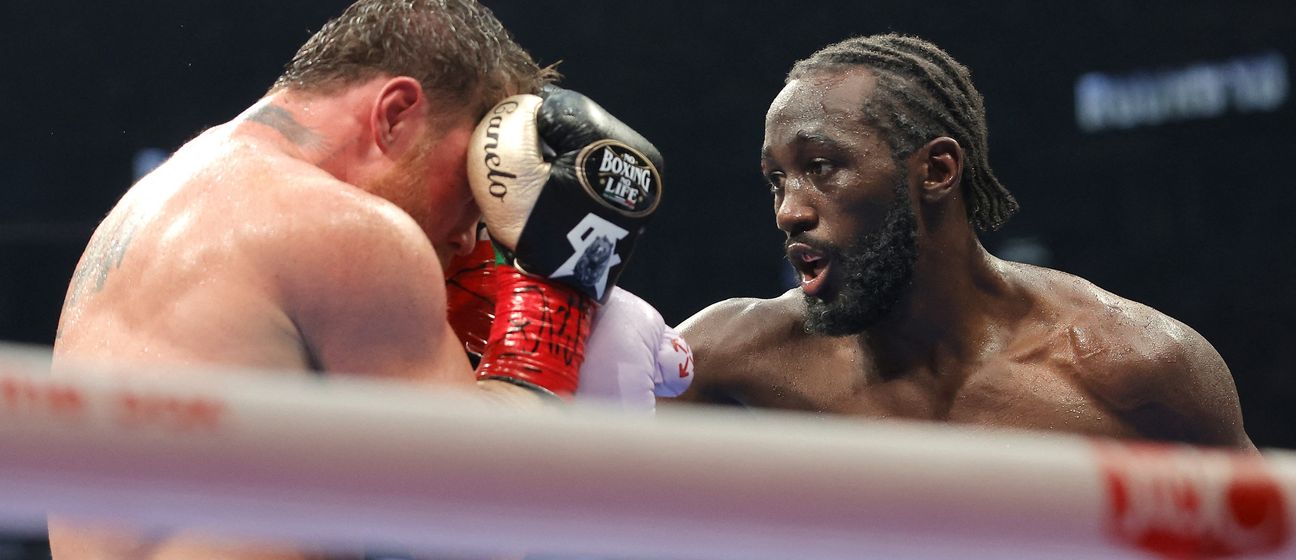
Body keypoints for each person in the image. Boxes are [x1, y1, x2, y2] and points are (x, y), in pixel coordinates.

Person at [50, 0, 687, 558]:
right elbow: (481, 527)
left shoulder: (162, 200)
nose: (472, 237)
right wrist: (564, 284)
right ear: (395, 113)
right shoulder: (344, 228)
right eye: (474, 185)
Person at [675, 34, 1253, 450]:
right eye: (776, 180)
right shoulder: (732, 357)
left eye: (821, 167)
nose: (788, 211)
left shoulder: (1135, 370)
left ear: (937, 170)